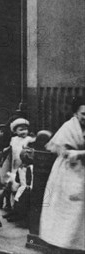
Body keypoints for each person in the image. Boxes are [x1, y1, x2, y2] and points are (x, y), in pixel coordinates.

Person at [39, 97, 85, 252]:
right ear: (76, 113)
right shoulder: (68, 127)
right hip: (69, 172)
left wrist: (79, 153)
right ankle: (63, 242)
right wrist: (75, 153)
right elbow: (62, 150)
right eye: (83, 113)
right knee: (68, 207)